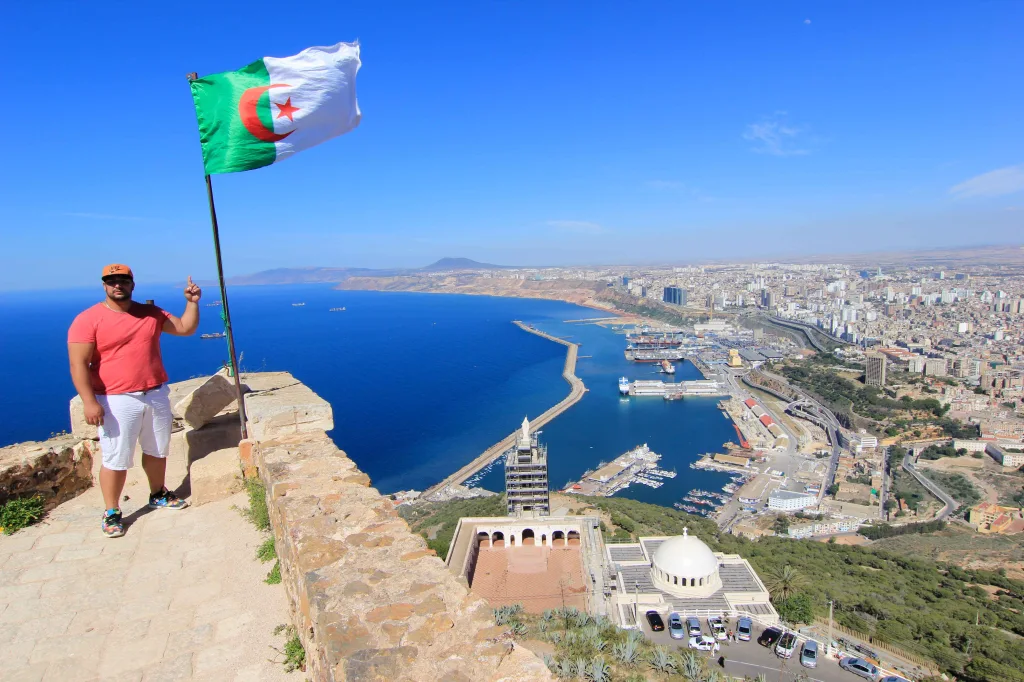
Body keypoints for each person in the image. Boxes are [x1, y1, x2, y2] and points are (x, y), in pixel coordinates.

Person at [68, 264, 201, 537]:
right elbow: (78, 364)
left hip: (155, 393)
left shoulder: (150, 313)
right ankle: (112, 511)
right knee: (116, 457)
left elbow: (185, 328)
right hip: (116, 399)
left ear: (132, 284)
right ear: (104, 285)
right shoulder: (88, 319)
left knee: (157, 449)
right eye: (111, 281)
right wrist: (89, 402)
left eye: (123, 280)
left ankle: (158, 493)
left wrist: (192, 302)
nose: (117, 285)